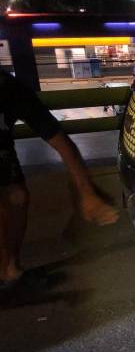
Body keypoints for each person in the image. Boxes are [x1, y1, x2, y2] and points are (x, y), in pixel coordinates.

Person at [0, 70, 118, 289]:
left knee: (17, 197)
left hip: (3, 153)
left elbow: (61, 142)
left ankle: (10, 271)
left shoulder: (11, 89)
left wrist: (87, 194)